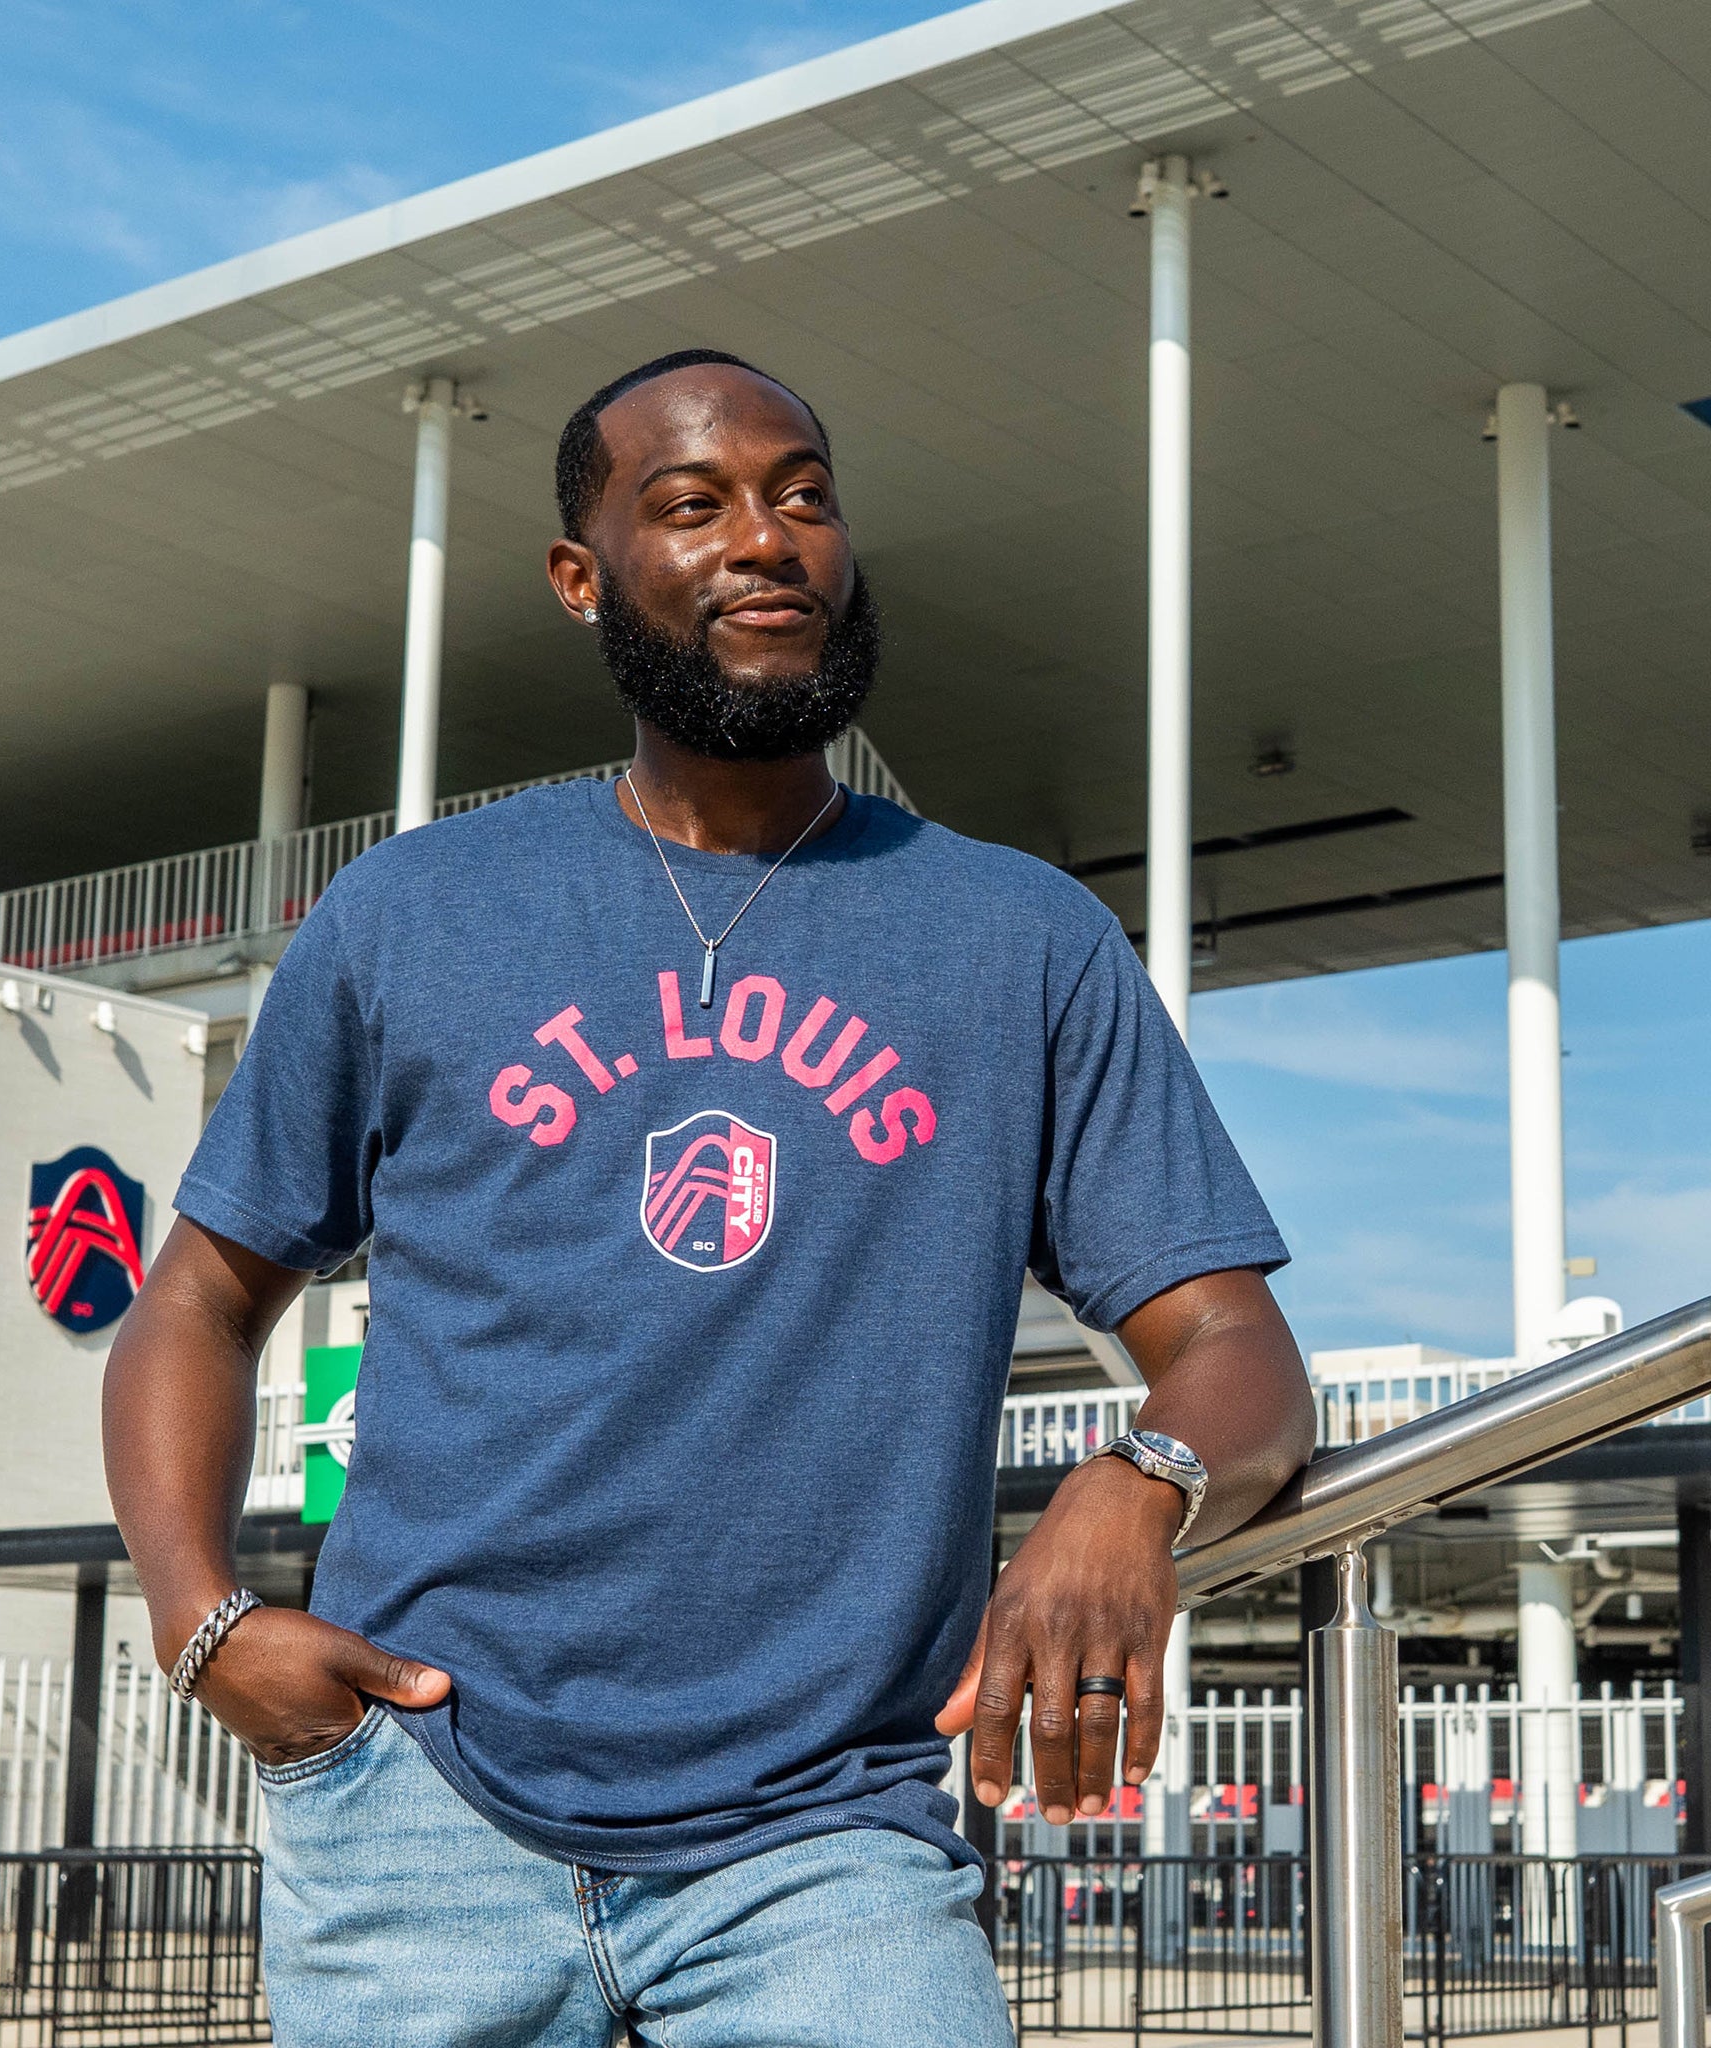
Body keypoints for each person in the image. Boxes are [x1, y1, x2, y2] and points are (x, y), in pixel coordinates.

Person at [104, 348, 1317, 2046]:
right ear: (582, 578)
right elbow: (200, 1301)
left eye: (804, 494)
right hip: (419, 1818)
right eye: (695, 504)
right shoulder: (415, 914)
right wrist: (202, 1623)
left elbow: (1242, 1352)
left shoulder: (1020, 940)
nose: (768, 538)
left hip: (829, 1850)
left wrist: (1139, 1482)